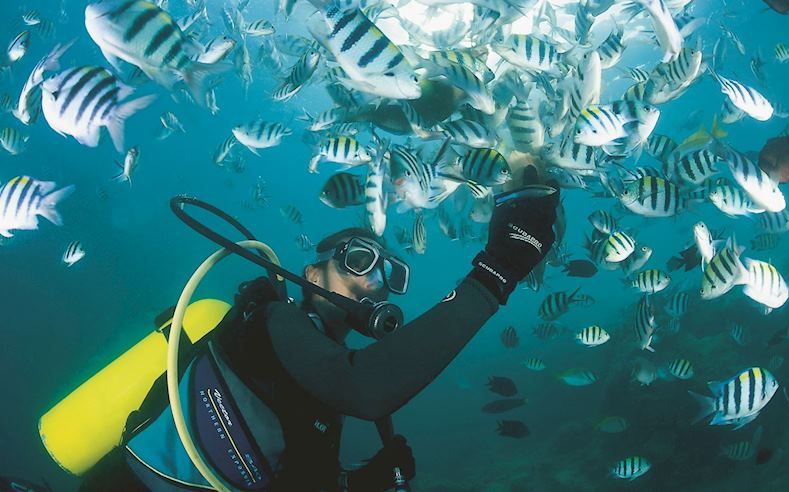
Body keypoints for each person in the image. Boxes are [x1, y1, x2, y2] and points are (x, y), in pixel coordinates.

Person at [80, 183, 560, 492]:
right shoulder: (271, 318)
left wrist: (360, 483)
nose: (374, 281)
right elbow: (365, 388)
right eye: (357, 261)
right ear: (312, 272)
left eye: (389, 272)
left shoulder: (322, 381)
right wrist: (495, 272)